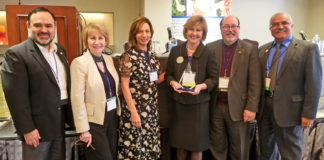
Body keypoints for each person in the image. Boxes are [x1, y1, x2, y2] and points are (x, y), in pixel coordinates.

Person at [1, 7, 72, 160]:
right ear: (28, 26)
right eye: (37, 25)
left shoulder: (60, 50)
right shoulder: (16, 54)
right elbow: (15, 97)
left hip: (59, 123)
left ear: (54, 27)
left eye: (48, 26)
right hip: (36, 128)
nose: (43, 30)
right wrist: (27, 129)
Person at [258, 12, 322, 160]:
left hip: (291, 112)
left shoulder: (308, 49)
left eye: (284, 23)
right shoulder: (263, 50)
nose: (280, 26)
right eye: (275, 24)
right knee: (266, 151)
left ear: (291, 26)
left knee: (291, 154)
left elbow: (315, 84)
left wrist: (309, 113)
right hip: (265, 109)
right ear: (270, 29)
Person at [206, 15, 261, 160]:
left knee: (240, 148)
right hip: (215, 106)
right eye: (226, 26)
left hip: (240, 107)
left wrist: (251, 107)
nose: (230, 30)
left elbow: (255, 82)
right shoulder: (210, 48)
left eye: (233, 26)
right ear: (221, 29)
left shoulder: (250, 50)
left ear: (239, 28)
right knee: (217, 146)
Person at [166, 15, 218, 160]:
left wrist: (201, 86)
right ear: (186, 31)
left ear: (203, 33)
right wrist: (173, 83)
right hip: (179, 106)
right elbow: (169, 75)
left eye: (198, 30)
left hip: (199, 108)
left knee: (197, 146)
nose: (194, 33)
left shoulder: (208, 52)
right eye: (191, 29)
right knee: (180, 146)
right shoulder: (176, 51)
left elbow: (213, 79)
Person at [70, 23, 120, 160]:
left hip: (111, 117)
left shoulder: (108, 59)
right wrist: (83, 129)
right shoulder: (79, 63)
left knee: (112, 155)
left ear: (106, 41)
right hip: (93, 122)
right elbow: (77, 98)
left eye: (101, 38)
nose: (97, 42)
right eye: (92, 38)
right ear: (86, 41)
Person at [118, 16, 161, 160]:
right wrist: (133, 112)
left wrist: (172, 75)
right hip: (135, 111)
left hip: (151, 112)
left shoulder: (153, 56)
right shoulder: (128, 56)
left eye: (147, 31)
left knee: (149, 149)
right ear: (134, 35)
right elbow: (124, 85)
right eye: (140, 32)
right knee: (135, 149)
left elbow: (153, 80)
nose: (144, 35)